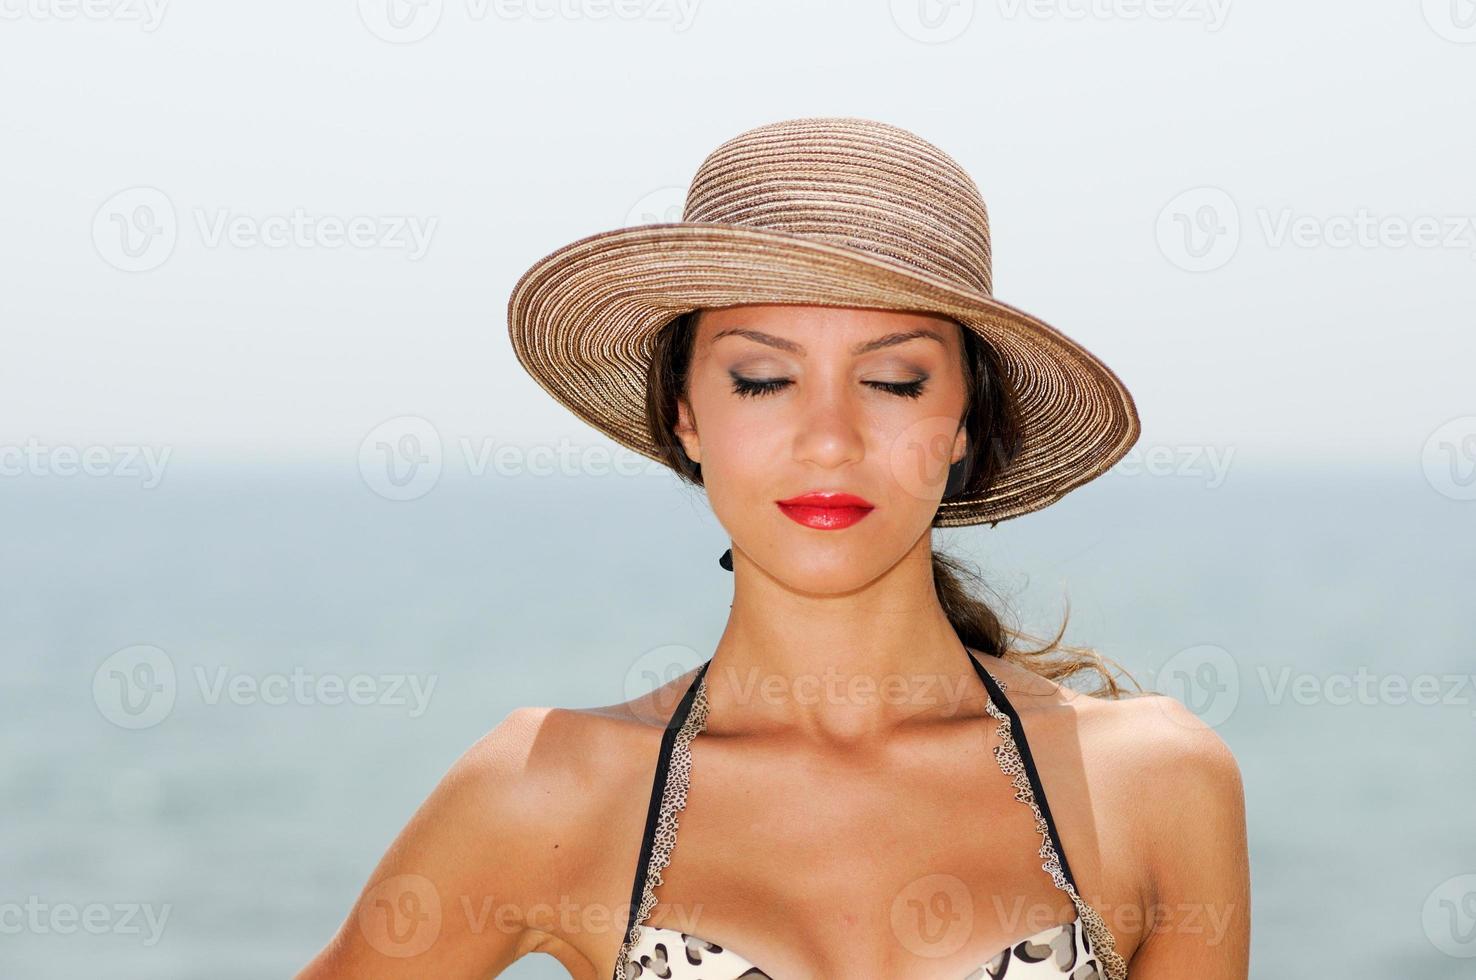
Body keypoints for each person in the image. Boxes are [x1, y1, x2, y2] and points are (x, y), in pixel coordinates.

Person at [298, 117, 1249, 979]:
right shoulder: (548, 789)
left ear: (965, 419)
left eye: (894, 380)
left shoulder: (1155, 783)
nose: (829, 439)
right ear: (686, 417)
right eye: (761, 380)